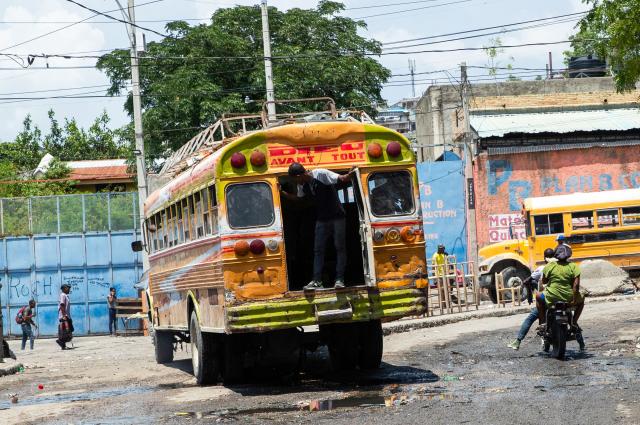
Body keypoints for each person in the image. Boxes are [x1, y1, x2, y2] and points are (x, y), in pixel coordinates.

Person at [285, 162, 353, 290]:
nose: (294, 182)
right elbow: (299, 199)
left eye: (294, 179)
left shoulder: (321, 174)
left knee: (340, 248)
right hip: (322, 219)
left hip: (337, 217)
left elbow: (342, 178)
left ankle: (339, 280)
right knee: (318, 250)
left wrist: (352, 172)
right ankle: (317, 281)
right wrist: (282, 192)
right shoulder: (302, 185)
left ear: (300, 175)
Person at [536, 244, 585, 351]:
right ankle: (575, 322)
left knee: (538, 296)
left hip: (552, 297)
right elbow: (576, 286)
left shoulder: (549, 266)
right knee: (582, 301)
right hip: (568, 298)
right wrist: (573, 299)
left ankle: (543, 322)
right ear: (568, 255)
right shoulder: (574, 267)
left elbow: (544, 281)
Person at [507, 249, 555, 350]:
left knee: (531, 317)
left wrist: (529, 293)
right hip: (562, 299)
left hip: (548, 299)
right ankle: (581, 342)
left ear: (544, 258)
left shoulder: (543, 268)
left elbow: (529, 280)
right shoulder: (564, 267)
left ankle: (518, 341)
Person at [56, 283, 74, 350]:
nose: (69, 289)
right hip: (64, 316)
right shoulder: (63, 295)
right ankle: (61, 343)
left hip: (66, 315)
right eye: (67, 288)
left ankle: (63, 344)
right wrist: (64, 315)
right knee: (65, 331)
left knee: (67, 330)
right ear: (63, 289)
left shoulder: (66, 295)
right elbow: (62, 305)